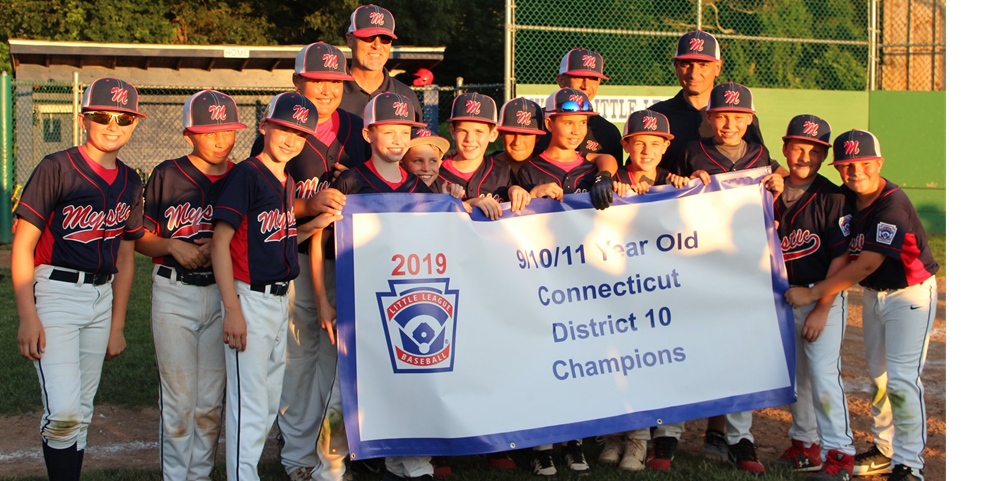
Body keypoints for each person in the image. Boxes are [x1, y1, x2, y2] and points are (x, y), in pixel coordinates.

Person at [12, 77, 146, 481]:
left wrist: (118, 323)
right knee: (65, 412)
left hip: (101, 298)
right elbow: (22, 246)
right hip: (54, 292)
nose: (112, 125)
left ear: (134, 124)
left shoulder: (130, 179)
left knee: (82, 412)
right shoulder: (57, 167)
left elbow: (126, 252)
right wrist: (27, 315)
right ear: (82, 118)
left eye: (123, 118)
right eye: (102, 115)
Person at [786, 130, 939, 481]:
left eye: (864, 164)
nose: (856, 172)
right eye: (847, 166)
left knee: (902, 380)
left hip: (910, 296)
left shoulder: (892, 205)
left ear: (879, 163)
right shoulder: (848, 197)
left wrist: (814, 296)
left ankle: (909, 465)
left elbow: (865, 264)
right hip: (874, 296)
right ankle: (885, 450)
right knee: (880, 379)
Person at [249, 41, 363, 481]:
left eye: (335, 81)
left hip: (352, 261)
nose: (327, 89)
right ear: (298, 82)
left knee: (338, 360)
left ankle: (332, 455)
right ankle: (297, 457)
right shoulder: (280, 131)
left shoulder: (356, 127)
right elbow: (260, 202)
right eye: (317, 80)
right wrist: (306, 205)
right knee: (298, 358)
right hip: (296, 259)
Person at [211, 92, 336, 481]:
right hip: (247, 298)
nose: (290, 139)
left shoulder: (287, 180)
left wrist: (319, 221)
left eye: (299, 134)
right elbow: (219, 242)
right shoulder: (246, 174)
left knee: (266, 403)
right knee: (249, 404)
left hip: (278, 299)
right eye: (283, 128)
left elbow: (282, 234)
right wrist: (232, 309)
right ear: (265, 126)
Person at [310, 92, 432, 481]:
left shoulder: (418, 187)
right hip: (351, 297)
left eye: (404, 131)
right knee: (342, 385)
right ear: (368, 134)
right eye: (387, 131)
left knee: (403, 375)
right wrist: (322, 300)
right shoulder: (351, 180)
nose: (397, 139)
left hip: (403, 299)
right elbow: (317, 238)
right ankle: (329, 467)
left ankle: (407, 459)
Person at [137, 89, 246, 481]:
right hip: (174, 292)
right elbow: (140, 238)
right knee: (180, 401)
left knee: (209, 404)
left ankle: (198, 475)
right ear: (189, 134)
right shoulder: (167, 174)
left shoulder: (242, 176)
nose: (220, 140)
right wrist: (170, 245)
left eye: (227, 131)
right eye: (209, 131)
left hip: (222, 294)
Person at [516, 87, 602, 477]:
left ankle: (574, 441)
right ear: (549, 122)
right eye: (567, 122)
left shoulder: (592, 170)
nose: (574, 130)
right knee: (544, 357)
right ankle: (542, 445)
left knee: (582, 360)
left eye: (582, 123)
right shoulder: (530, 168)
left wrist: (610, 180)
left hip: (588, 277)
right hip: (543, 277)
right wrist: (532, 195)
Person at [767, 115, 856, 481]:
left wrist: (822, 307)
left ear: (823, 156)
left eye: (815, 150)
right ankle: (805, 446)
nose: (804, 155)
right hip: (783, 298)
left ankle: (840, 452)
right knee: (796, 375)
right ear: (785, 147)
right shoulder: (766, 188)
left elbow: (842, 257)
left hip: (822, 295)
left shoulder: (834, 197)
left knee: (821, 374)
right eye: (798, 147)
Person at [594, 109, 675, 473]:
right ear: (625, 145)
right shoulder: (610, 178)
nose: (646, 150)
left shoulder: (675, 181)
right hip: (612, 283)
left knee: (645, 361)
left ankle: (639, 440)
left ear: (665, 147)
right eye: (638, 142)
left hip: (655, 287)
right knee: (612, 358)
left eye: (655, 143)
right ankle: (613, 435)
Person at [648, 30, 766, 173]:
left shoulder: (737, 117)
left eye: (703, 65)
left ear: (717, 68)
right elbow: (635, 171)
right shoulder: (656, 115)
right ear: (676, 67)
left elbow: (761, 163)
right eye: (686, 64)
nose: (694, 74)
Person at [438, 92, 530, 220]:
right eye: (463, 131)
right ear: (453, 131)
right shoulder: (436, 173)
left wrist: (516, 190)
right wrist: (470, 204)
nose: (469, 139)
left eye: (479, 132)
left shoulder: (502, 171)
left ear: (493, 134)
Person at [534, 49, 623, 167]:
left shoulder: (608, 132)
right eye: (578, 77)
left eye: (593, 79)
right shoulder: (535, 122)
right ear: (561, 80)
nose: (586, 85)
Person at [338, 4, 424, 121]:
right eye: (368, 37)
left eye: (385, 39)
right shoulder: (330, 92)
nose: (377, 46)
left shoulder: (405, 96)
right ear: (350, 40)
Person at [492, 97, 546, 178]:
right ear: (500, 134)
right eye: (511, 133)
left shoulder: (549, 167)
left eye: (525, 134)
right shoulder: (483, 167)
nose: (517, 142)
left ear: (537, 137)